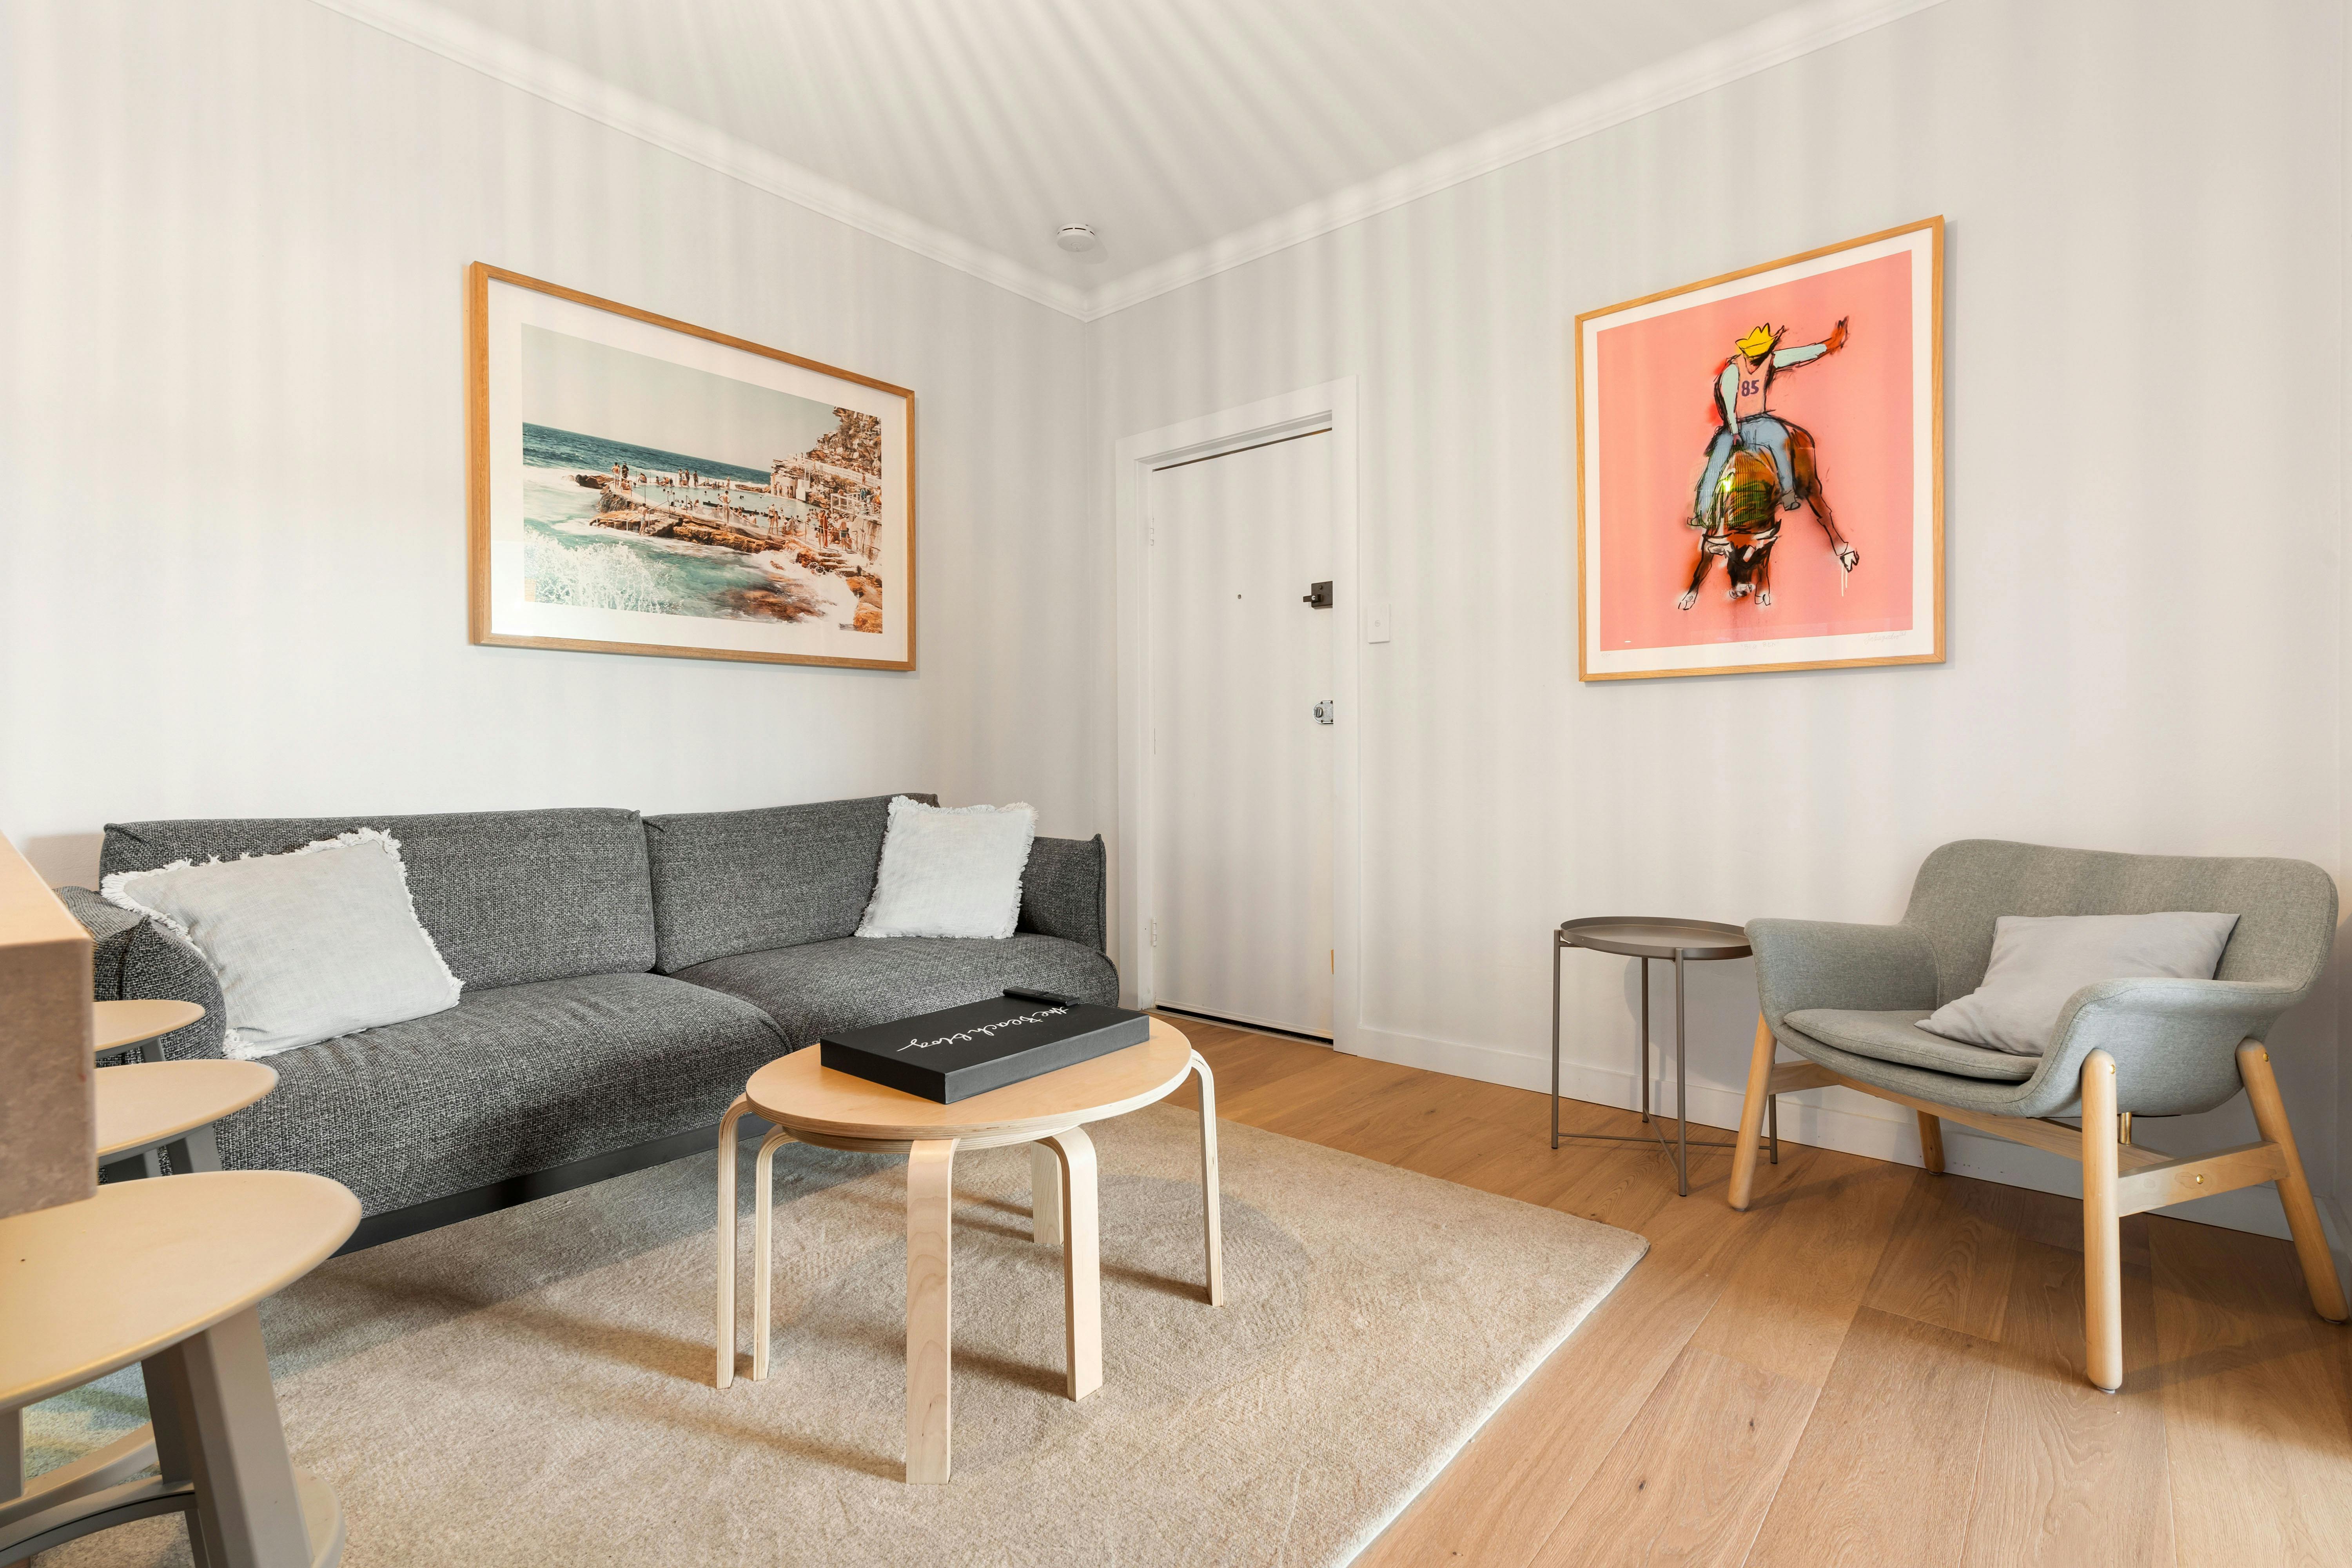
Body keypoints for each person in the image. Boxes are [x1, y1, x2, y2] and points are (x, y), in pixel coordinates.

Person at [1691, 318, 1849, 520]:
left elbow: (1799, 354)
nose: (1758, 359)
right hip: (1736, 425)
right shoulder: (1733, 370)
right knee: (1717, 461)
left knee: (1781, 439)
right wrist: (1734, 431)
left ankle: (1788, 493)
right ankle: (1703, 511)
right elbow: (1729, 403)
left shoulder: (1769, 359)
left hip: (1761, 421)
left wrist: (1831, 344)